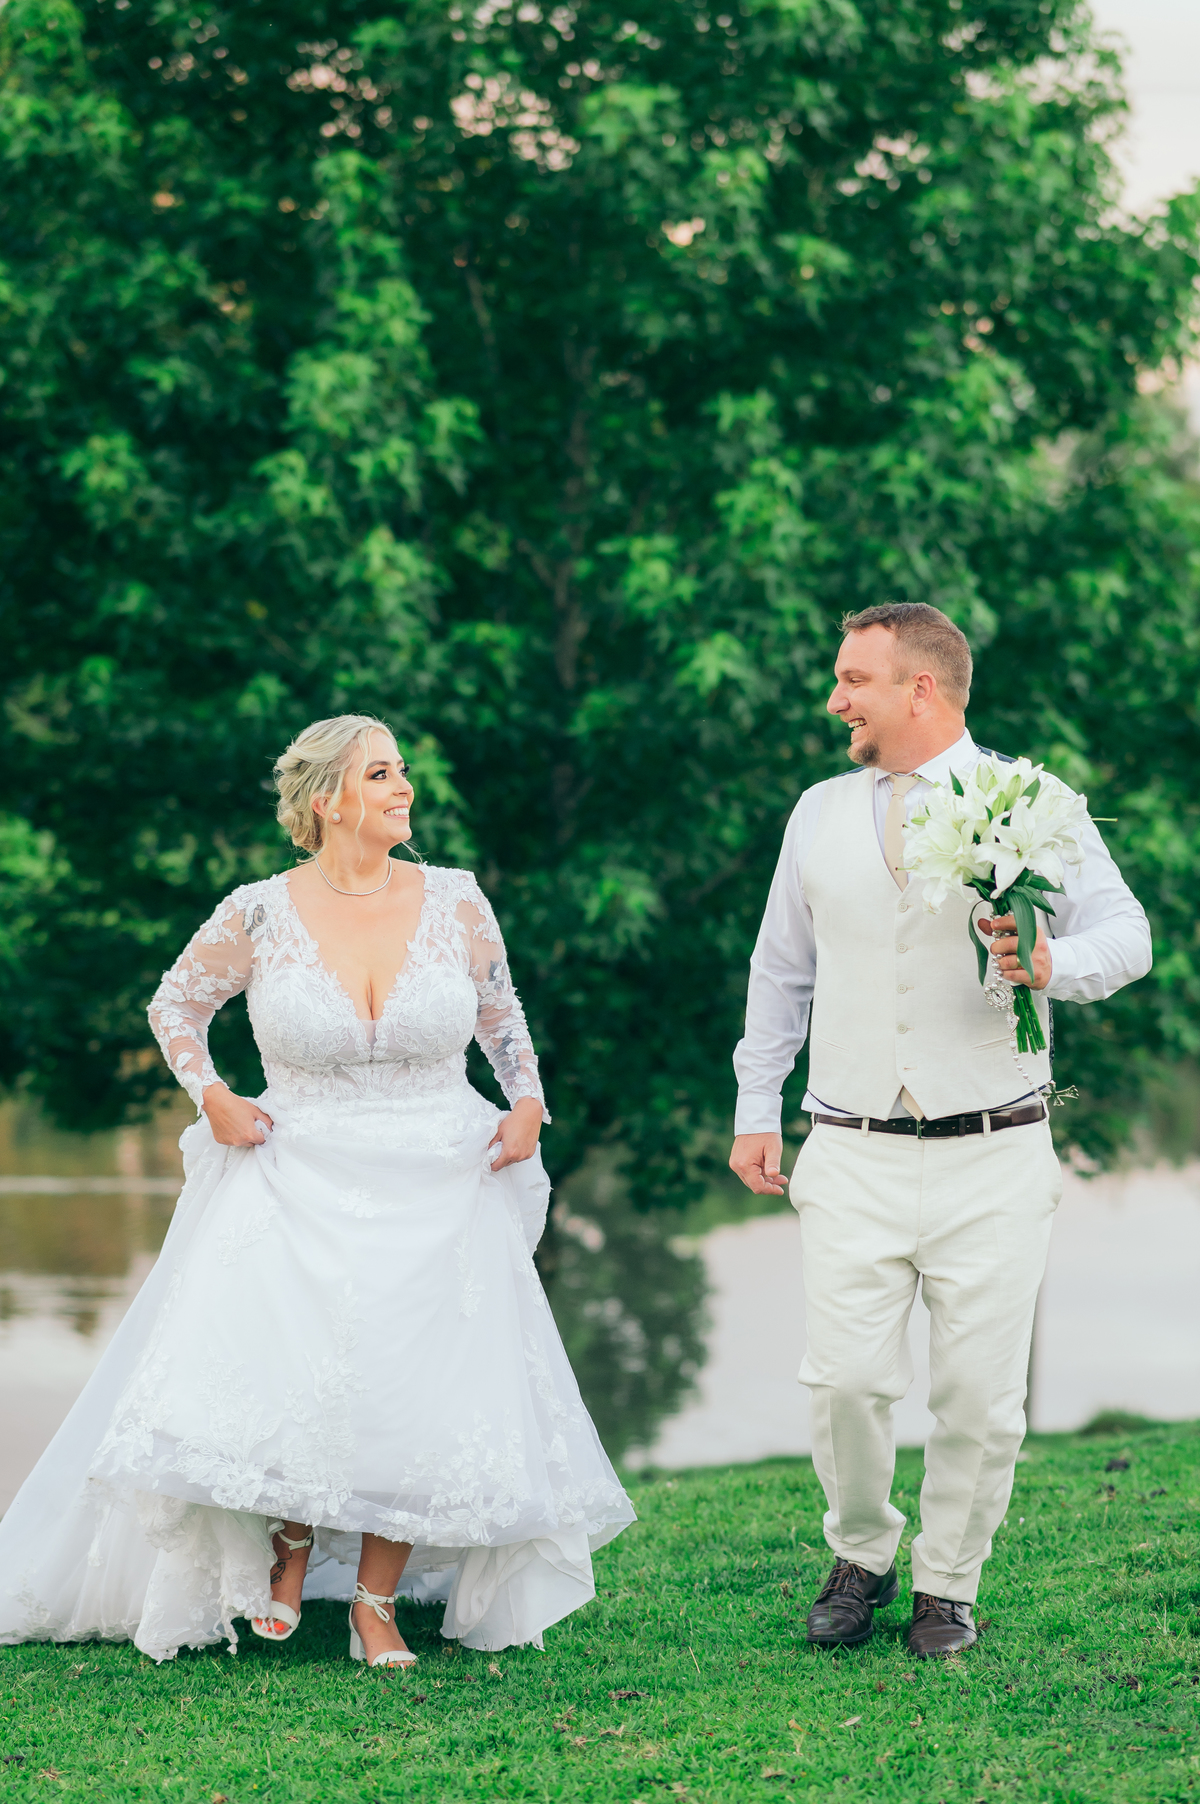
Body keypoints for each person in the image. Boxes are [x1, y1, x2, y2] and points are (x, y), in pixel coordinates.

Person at [0, 714, 633, 1664]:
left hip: (440, 1170)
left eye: (402, 771)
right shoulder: (259, 910)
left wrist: (530, 1104)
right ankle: (288, 1543)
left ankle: (375, 1599)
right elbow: (174, 1003)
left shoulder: (458, 900)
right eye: (381, 774)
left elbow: (503, 1018)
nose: (403, 787)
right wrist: (212, 1095)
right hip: (298, 1166)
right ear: (328, 798)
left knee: (422, 1383)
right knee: (299, 1366)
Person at [729, 604, 1151, 1659]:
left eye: (854, 680)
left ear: (922, 689)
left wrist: (1055, 967)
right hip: (853, 1143)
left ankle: (948, 1584)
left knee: (978, 1397)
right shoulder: (818, 812)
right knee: (845, 1383)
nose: (837, 700)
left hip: (997, 1149)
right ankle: (862, 1551)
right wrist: (754, 1107)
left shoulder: (1032, 800)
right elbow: (781, 972)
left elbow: (1128, 933)